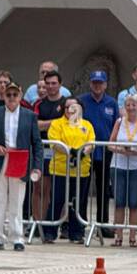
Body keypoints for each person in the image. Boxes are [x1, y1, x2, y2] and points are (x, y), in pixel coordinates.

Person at [0, 81, 43, 251]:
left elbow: (37, 143)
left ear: (20, 96)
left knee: (17, 201)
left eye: (14, 95)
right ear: (4, 96)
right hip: (0, 157)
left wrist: (37, 166)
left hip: (19, 158)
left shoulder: (29, 115)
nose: (11, 98)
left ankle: (17, 237)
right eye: (8, 95)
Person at [76, 71, 120, 235]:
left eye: (100, 83)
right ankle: (79, 224)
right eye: (94, 82)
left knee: (103, 190)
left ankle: (103, 224)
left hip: (105, 152)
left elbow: (117, 124)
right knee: (83, 189)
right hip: (85, 151)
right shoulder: (81, 101)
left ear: (105, 85)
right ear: (90, 83)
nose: (97, 85)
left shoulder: (112, 103)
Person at [109, 92, 137, 246]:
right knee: (119, 201)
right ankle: (118, 236)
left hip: (136, 166)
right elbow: (110, 143)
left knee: (134, 202)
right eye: (128, 105)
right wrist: (119, 149)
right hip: (119, 165)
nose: (130, 108)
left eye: (133, 105)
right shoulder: (119, 122)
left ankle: (133, 236)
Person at [46, 99, 95, 242]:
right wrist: (71, 151)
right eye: (67, 107)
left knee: (79, 203)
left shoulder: (87, 125)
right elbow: (55, 143)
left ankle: (77, 233)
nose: (70, 110)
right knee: (56, 201)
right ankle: (50, 232)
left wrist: (82, 153)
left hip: (81, 170)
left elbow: (91, 142)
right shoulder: (57, 124)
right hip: (60, 170)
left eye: (74, 107)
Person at [32, 71, 67, 240]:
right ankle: (38, 225)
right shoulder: (39, 104)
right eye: (48, 84)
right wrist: (55, 124)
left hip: (61, 152)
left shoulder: (66, 103)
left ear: (60, 84)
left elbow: (69, 125)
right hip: (43, 150)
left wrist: (50, 125)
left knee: (59, 190)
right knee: (40, 188)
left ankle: (58, 225)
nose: (51, 87)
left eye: (54, 83)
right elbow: (36, 125)